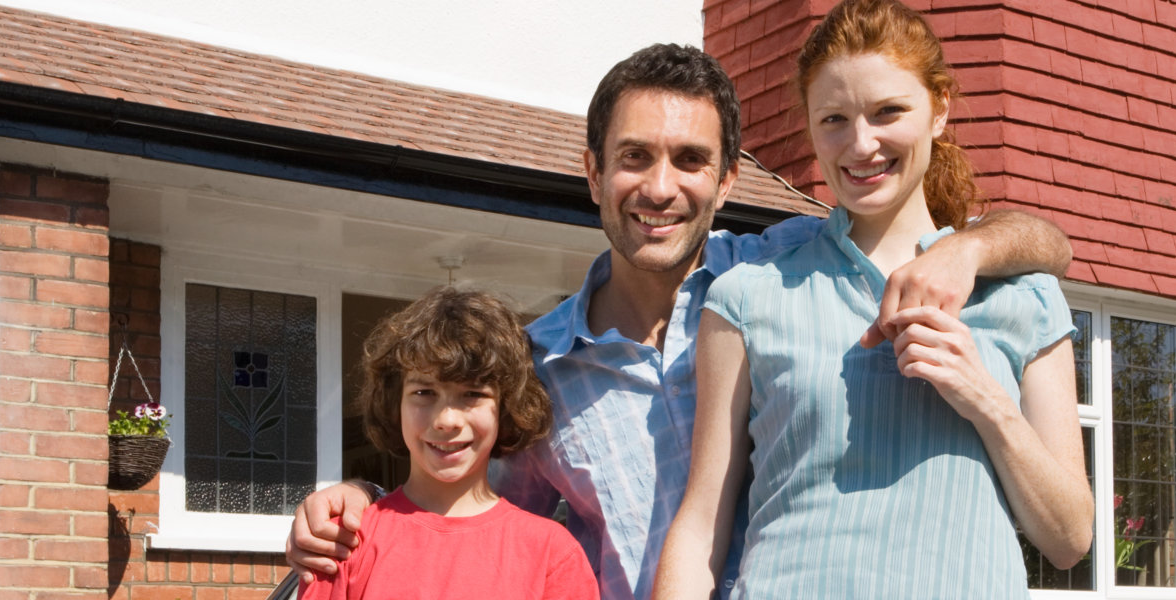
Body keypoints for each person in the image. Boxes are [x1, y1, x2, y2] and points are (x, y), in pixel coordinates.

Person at [288, 43, 1074, 600]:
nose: (660, 188)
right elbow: (472, 513)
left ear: (728, 177)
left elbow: (1047, 243)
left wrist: (966, 250)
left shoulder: (785, 275)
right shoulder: (534, 369)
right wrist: (361, 498)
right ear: (593, 171)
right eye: (633, 158)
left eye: (691, 161)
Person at [653, 1, 1093, 597]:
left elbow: (1070, 540)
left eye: (889, 112)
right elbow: (702, 523)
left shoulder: (1024, 296)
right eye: (833, 119)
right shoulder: (745, 298)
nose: (861, 145)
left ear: (939, 110)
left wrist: (985, 400)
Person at [300, 286, 596, 600]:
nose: (447, 420)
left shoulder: (552, 554)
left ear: (506, 407)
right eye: (424, 393)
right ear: (393, 404)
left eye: (473, 394)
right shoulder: (344, 542)